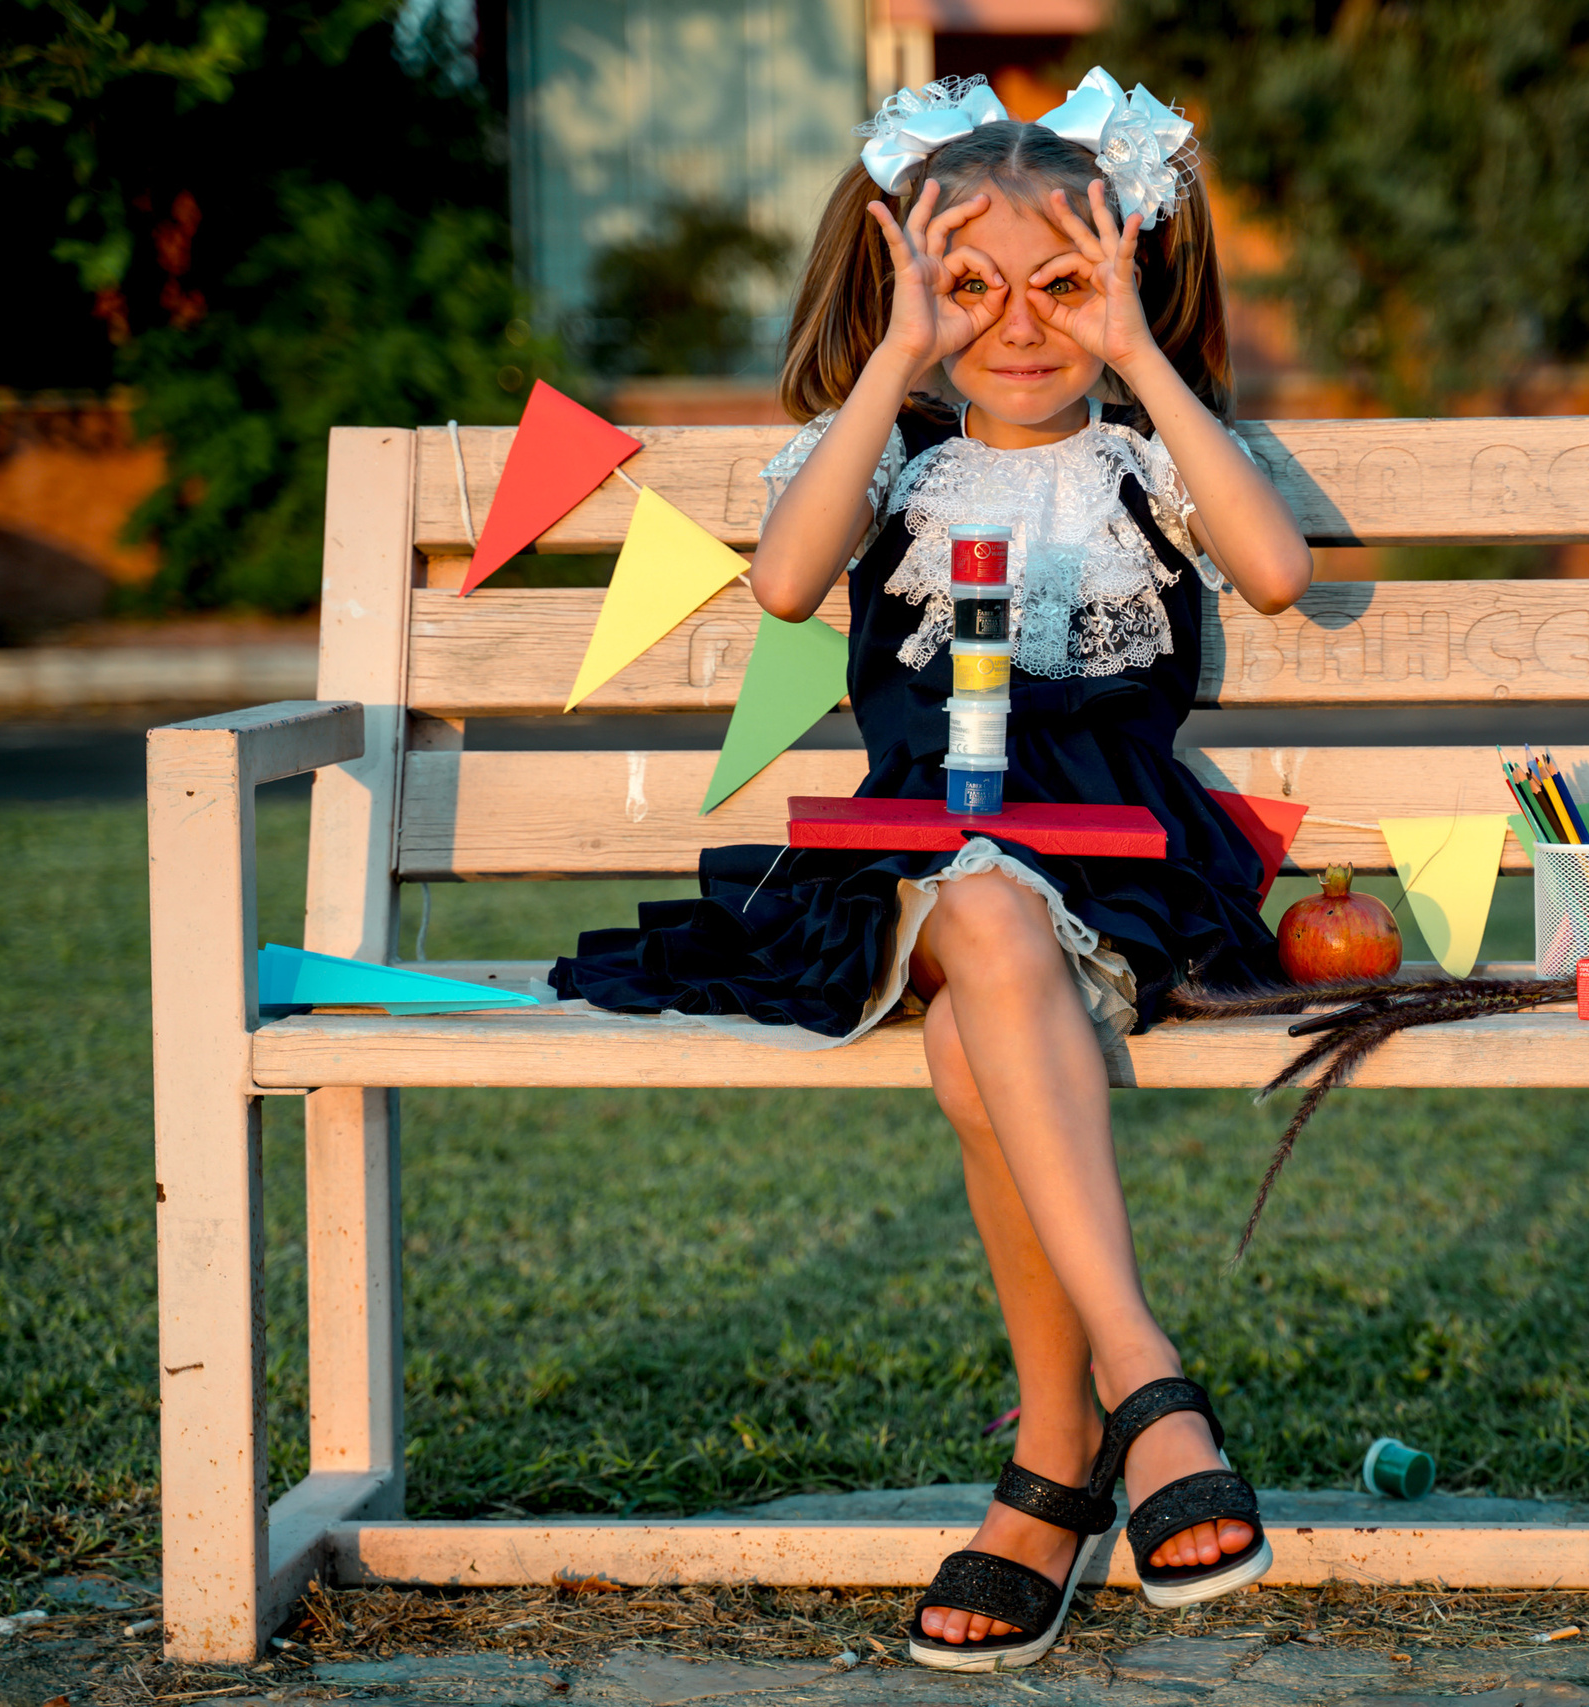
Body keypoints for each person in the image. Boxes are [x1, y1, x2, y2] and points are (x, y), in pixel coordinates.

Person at [548, 70, 1313, 1672]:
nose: (1019, 325)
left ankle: (1056, 1463)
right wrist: (895, 356)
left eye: (1064, 286)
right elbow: (779, 586)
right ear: (909, 286)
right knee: (969, 909)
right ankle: (1143, 1384)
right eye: (969, 287)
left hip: (1112, 869)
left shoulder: (1147, 461)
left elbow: (1278, 568)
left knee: (978, 1011)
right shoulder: (888, 463)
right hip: (911, 861)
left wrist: (1143, 358)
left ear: (1121, 279)